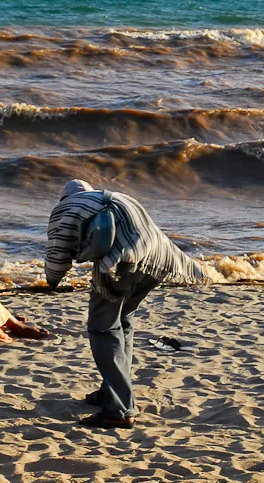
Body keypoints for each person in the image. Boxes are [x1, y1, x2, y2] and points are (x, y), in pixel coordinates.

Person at [45, 179, 205, 429]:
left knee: (102, 329)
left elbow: (57, 253)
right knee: (122, 322)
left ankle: (119, 409)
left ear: (64, 198)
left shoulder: (66, 208)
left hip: (121, 262)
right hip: (158, 259)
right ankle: (111, 392)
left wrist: (52, 281)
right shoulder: (116, 197)